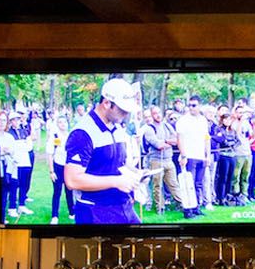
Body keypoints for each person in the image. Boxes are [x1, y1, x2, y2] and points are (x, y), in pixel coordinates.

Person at [63, 78, 146, 225]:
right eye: (122, 109)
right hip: (95, 211)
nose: (126, 114)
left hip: (122, 206)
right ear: (107, 103)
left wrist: (137, 174)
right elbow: (72, 180)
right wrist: (116, 182)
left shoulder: (117, 127)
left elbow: (117, 164)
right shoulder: (82, 133)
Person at [141, 106, 183, 213]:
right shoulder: (149, 129)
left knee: (174, 184)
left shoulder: (167, 126)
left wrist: (165, 141)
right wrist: (168, 142)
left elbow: (176, 140)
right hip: (156, 160)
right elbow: (158, 145)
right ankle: (160, 207)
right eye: (155, 113)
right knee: (157, 185)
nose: (158, 115)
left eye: (159, 112)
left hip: (168, 159)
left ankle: (182, 204)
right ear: (152, 115)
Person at [175, 95, 210, 218]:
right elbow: (179, 139)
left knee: (198, 184)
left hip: (200, 156)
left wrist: (207, 155)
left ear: (199, 106)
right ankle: (187, 210)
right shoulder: (183, 120)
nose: (191, 108)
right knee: (188, 184)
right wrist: (184, 155)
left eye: (194, 105)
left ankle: (196, 208)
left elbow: (206, 138)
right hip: (189, 156)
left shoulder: (203, 120)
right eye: (189, 105)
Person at [46, 115, 75, 224]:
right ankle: (55, 216)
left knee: (69, 190)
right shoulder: (55, 137)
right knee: (57, 192)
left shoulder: (71, 136)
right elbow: (50, 154)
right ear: (57, 124)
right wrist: (51, 171)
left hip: (68, 167)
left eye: (65, 122)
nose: (63, 124)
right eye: (60, 122)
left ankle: (72, 212)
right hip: (58, 166)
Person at [7, 110, 35, 215]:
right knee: (14, 184)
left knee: (24, 183)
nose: (16, 122)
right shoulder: (9, 133)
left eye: (18, 119)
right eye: (14, 120)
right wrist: (22, 145)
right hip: (15, 163)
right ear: (11, 122)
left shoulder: (23, 131)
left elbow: (29, 147)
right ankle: (12, 207)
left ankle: (22, 205)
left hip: (25, 161)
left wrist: (24, 144)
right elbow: (11, 148)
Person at [229, 101, 253, 205]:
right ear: (235, 113)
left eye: (242, 112)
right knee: (236, 176)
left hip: (247, 152)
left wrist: (252, 124)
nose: (241, 114)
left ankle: (244, 194)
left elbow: (251, 134)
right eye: (239, 112)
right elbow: (237, 133)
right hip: (238, 153)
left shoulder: (247, 123)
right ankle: (236, 195)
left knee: (246, 175)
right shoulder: (234, 123)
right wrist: (240, 121)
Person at [0, 111, 20, 219]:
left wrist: (6, 151)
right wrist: (2, 151)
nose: (1, 122)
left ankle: (2, 218)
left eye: (4, 120)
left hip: (7, 169)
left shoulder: (9, 137)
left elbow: (13, 152)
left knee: (4, 193)